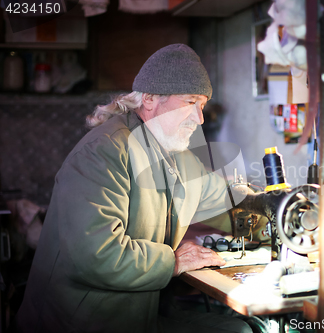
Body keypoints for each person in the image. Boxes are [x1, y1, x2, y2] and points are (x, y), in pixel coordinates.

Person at [14, 44, 252, 333]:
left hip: (140, 313)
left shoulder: (177, 155)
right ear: (150, 99)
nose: (199, 119)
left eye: (202, 106)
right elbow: (96, 254)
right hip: (83, 322)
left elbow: (225, 201)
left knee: (240, 329)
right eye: (190, 102)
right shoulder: (105, 151)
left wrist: (272, 206)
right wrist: (172, 262)